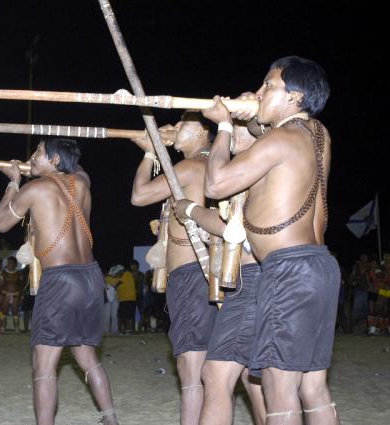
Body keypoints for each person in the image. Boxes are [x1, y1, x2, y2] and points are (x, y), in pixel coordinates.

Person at [204, 56, 338, 423]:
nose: (260, 92)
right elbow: (269, 138)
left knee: (279, 390)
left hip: (288, 271)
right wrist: (253, 115)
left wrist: (225, 129)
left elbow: (216, 184)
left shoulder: (282, 138)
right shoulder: (317, 134)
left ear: (295, 96)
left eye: (268, 86)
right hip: (320, 267)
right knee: (313, 389)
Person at [0, 138, 117, 425]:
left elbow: (1, 223)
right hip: (90, 278)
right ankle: (111, 420)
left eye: (38, 152)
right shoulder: (83, 183)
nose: (32, 157)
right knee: (87, 358)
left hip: (61, 280)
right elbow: (79, 168)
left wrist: (13, 181)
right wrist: (47, 161)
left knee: (44, 365)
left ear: (56, 161)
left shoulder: (35, 188)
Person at [173, 119, 266, 425]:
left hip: (254, 281)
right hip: (262, 278)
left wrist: (191, 210)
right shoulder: (264, 167)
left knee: (215, 374)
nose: (225, 138)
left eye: (238, 128)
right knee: (264, 379)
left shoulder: (255, 168)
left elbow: (233, 231)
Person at [130, 111, 217, 424]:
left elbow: (139, 195)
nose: (176, 128)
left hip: (194, 274)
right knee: (205, 365)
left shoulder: (193, 165)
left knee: (191, 368)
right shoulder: (210, 165)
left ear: (203, 132)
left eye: (184, 125)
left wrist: (151, 151)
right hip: (196, 274)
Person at [0, 256, 23, 334]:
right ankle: (2, 328)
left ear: (15, 264)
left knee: (15, 312)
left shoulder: (19, 273)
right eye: (8, 263)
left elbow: (21, 286)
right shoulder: (3, 273)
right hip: (5, 295)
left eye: (10, 263)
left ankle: (17, 328)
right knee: (3, 312)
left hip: (15, 295)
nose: (9, 264)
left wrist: (21, 296)